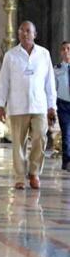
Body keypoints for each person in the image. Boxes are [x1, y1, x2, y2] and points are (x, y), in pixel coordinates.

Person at [0, 21, 57, 189]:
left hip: (39, 106)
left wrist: (52, 106)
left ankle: (35, 172)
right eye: (21, 31)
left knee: (40, 138)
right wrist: (1, 105)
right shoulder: (11, 56)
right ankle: (19, 177)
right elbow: (4, 82)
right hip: (17, 107)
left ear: (34, 34)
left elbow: (49, 82)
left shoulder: (44, 54)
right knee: (18, 143)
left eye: (28, 31)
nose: (24, 34)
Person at [54, 41, 70, 171]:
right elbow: (53, 89)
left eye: (68, 49)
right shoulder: (57, 69)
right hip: (63, 104)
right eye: (64, 49)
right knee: (66, 133)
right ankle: (67, 160)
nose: (66, 51)